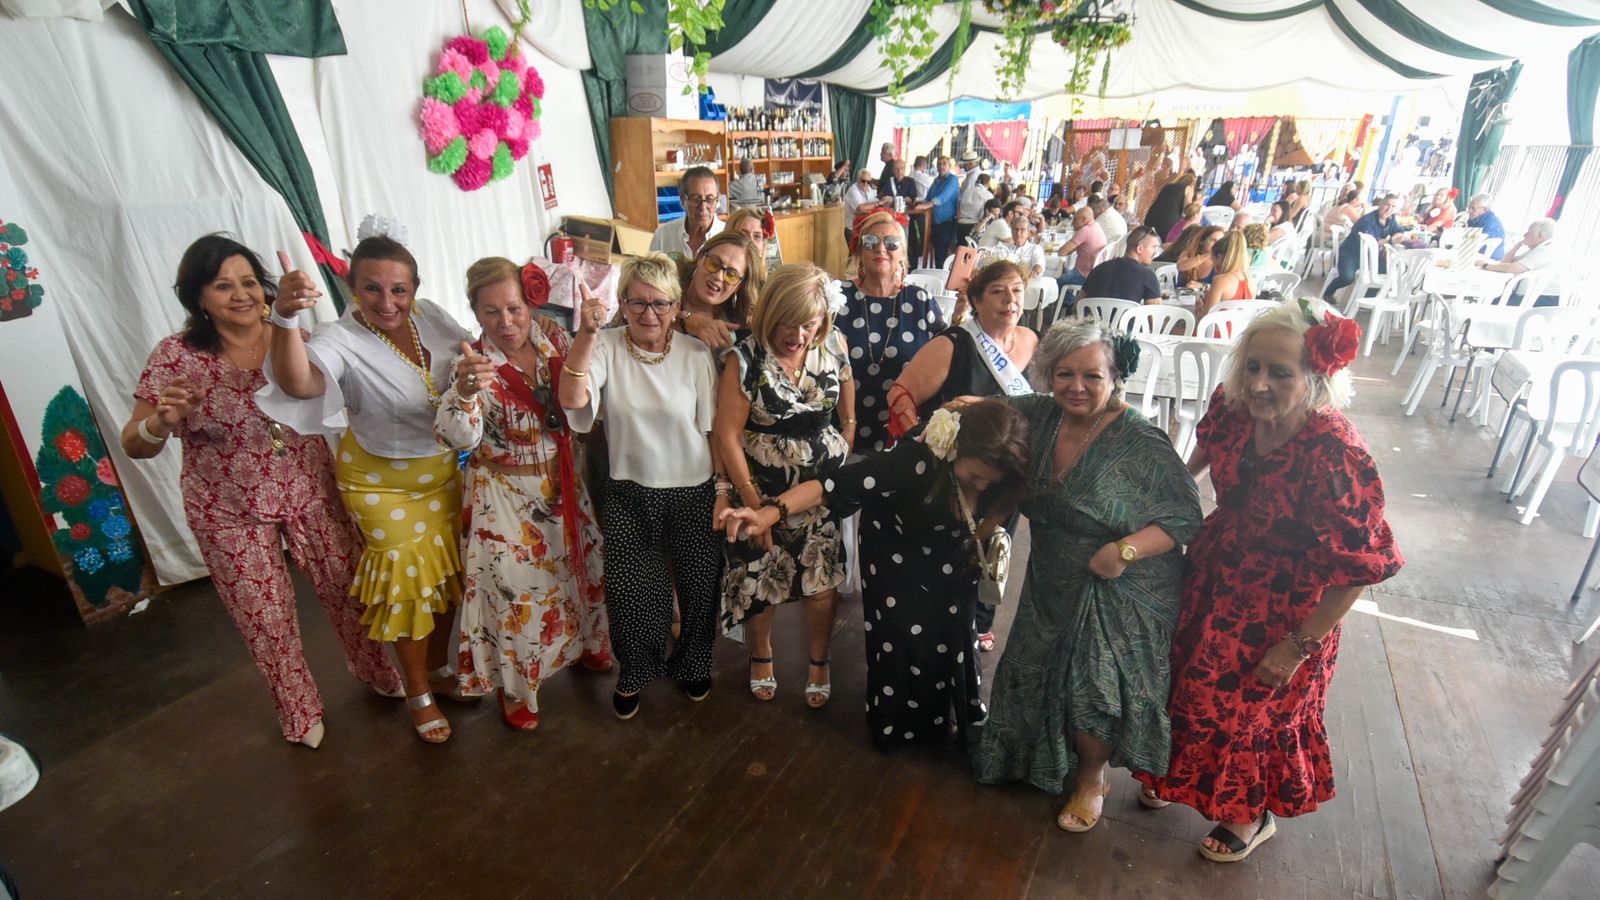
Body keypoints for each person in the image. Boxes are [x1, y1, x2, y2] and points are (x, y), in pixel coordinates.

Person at [1140, 298, 1402, 862]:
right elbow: (1202, 455)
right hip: (1218, 570)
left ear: (1315, 375)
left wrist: (1299, 644)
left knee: (1251, 709)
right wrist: (1163, 499)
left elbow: (1360, 568)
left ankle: (1247, 815)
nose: (1259, 384)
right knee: (1187, 680)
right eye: (1252, 366)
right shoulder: (1233, 408)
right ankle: (1177, 776)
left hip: (1290, 604)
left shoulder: (1338, 452)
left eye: (1279, 373)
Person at [123, 234, 401, 749]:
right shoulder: (176, 357)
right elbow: (134, 443)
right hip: (228, 509)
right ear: (197, 296)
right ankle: (298, 710)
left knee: (350, 588)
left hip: (312, 489)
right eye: (222, 285)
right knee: (265, 614)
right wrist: (160, 423)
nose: (241, 294)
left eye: (249, 281)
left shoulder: (291, 335)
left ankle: (379, 670)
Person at [972, 317, 1202, 832]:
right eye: (1064, 374)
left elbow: (1187, 516)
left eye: (1092, 377)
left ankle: (1090, 778)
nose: (1077, 387)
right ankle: (1030, 757)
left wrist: (1124, 550)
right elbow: (987, 416)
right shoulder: (1037, 416)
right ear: (1047, 375)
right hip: (1052, 571)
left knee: (1092, 682)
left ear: (1115, 377)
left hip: (1119, 577)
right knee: (1033, 664)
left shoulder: (1142, 440)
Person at [717, 399, 1031, 750]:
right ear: (956, 450)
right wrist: (770, 513)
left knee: (956, 625)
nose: (984, 487)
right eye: (976, 477)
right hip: (895, 547)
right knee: (902, 630)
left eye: (993, 481)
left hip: (951, 551)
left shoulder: (1007, 472)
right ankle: (899, 723)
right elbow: (831, 486)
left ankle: (950, 712)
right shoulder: (916, 460)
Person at [261, 232, 472, 744]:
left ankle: (440, 671)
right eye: (372, 289)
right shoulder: (340, 338)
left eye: (399, 290)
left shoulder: (433, 317)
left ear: (415, 288)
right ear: (352, 286)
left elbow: (467, 353)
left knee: (444, 578)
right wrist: (285, 317)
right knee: (406, 582)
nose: (387, 302)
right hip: (381, 484)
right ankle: (417, 692)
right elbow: (298, 383)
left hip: (443, 471)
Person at [434, 257, 611, 731]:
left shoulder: (552, 336)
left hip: (565, 479)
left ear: (529, 301)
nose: (506, 322)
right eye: (491, 313)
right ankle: (517, 689)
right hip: (505, 494)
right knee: (517, 594)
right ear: (475, 313)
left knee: (582, 565)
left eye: (514, 308)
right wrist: (466, 393)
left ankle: (590, 644)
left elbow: (585, 386)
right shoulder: (471, 364)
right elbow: (458, 438)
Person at [559, 253, 724, 720]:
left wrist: (723, 490)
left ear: (675, 306)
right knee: (632, 594)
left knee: (698, 588)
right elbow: (573, 401)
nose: (649, 314)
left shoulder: (693, 354)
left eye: (660, 304)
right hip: (629, 492)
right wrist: (586, 335)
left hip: (693, 489)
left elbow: (711, 430)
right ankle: (635, 670)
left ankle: (694, 662)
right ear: (622, 304)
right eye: (637, 303)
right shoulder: (606, 346)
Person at [713, 264, 853, 707]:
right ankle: (761, 655)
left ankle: (819, 660)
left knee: (822, 581)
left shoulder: (834, 344)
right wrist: (756, 504)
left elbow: (847, 403)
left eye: (808, 325)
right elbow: (727, 434)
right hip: (758, 486)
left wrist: (844, 445)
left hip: (821, 491)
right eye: (787, 324)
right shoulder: (744, 358)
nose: (797, 335)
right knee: (760, 580)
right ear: (769, 313)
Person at [889, 260, 1038, 652]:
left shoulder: (1028, 340)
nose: (1010, 300)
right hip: (963, 475)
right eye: (998, 292)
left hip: (1009, 472)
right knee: (958, 548)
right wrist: (926, 444)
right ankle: (948, 618)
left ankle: (981, 619)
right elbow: (900, 396)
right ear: (975, 299)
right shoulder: (952, 343)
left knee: (998, 546)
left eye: (1017, 291)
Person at [832, 210, 946, 450]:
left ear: (903, 254)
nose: (881, 249)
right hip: (843, 432)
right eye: (871, 242)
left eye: (891, 243)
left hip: (905, 432)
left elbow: (943, 359)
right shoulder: (838, 299)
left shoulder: (920, 301)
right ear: (859, 252)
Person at [676, 230, 764, 354]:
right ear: (700, 257)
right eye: (714, 263)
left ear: (740, 286)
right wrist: (685, 321)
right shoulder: (669, 272)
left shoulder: (737, 329)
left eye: (731, 275)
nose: (718, 276)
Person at [1323, 194, 1407, 301]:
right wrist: (1390, 241)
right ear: (1380, 204)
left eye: (1393, 206)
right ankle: (1328, 292)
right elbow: (1371, 243)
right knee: (1347, 278)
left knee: (1387, 270)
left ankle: (1366, 298)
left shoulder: (1390, 219)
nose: (1389, 209)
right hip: (1351, 254)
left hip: (1369, 257)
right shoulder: (1367, 220)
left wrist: (1397, 236)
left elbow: (1399, 230)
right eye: (1387, 205)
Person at [1483, 217, 1564, 306]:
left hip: (1541, 299)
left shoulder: (1546, 250)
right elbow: (1506, 263)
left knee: (1487, 301)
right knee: (1489, 299)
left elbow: (1512, 268)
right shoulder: (1538, 249)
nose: (1524, 235)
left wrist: (1486, 265)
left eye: (1528, 232)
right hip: (1529, 297)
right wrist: (1517, 246)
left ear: (1540, 235)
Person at [650, 167, 725, 259]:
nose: (702, 207)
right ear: (682, 199)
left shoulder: (727, 237)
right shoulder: (662, 236)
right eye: (695, 198)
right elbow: (651, 272)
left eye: (709, 199)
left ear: (717, 199)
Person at [1080, 226, 1162, 304]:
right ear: (1139, 249)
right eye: (1154, 247)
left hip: (1092, 318)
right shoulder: (1147, 275)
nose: (1155, 252)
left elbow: (1078, 303)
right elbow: (1153, 314)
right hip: (1125, 319)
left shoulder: (1099, 268)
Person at [1198, 233, 1254, 319]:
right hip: (1239, 331)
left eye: (1213, 260)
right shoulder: (1252, 282)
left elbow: (1207, 318)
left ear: (1219, 257)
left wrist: (1199, 308)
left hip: (1217, 331)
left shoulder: (1220, 281)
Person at [1056, 206, 1106, 288]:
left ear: (1083, 219)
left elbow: (1062, 252)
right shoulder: (1096, 226)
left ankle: (1066, 300)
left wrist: (1067, 249)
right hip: (1095, 273)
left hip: (1083, 275)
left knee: (1057, 279)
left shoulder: (1085, 230)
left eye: (1075, 219)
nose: (1072, 223)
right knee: (1063, 270)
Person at [984, 214, 1045, 280]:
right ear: (1012, 233)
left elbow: (1039, 264)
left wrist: (1034, 272)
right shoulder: (1003, 247)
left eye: (1022, 230)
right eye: (1015, 229)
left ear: (1028, 233)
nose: (1018, 233)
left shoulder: (1035, 248)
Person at [927, 155, 963, 266]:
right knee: (935, 255)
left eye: (944, 164)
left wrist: (929, 204)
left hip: (947, 224)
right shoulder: (936, 181)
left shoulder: (953, 179)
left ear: (949, 166)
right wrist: (918, 203)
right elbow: (927, 198)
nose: (941, 166)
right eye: (939, 164)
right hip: (934, 224)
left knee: (942, 256)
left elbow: (944, 197)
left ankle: (942, 281)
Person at [1146, 172, 1196, 242]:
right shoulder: (1189, 188)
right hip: (1168, 220)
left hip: (1152, 215)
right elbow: (1187, 207)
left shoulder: (1168, 186)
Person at [726, 207, 776, 272]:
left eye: (757, 236)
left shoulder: (766, 281)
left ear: (763, 245)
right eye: (743, 234)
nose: (750, 241)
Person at [957, 172, 995, 248]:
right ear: (987, 184)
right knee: (971, 253)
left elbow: (958, 205)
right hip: (974, 226)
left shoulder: (965, 191)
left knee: (960, 251)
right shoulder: (988, 195)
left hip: (960, 225)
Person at [843, 168, 882, 239]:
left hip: (864, 228)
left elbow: (872, 203)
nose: (865, 184)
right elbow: (860, 208)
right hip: (853, 229)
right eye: (863, 181)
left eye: (868, 182)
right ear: (858, 179)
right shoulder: (853, 190)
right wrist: (878, 204)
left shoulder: (869, 189)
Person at [1466, 193, 1507, 260]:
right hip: (1475, 253)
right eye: (1469, 207)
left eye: (1473, 208)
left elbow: (1476, 240)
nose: (1469, 211)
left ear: (1484, 209)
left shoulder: (1492, 221)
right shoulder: (1475, 218)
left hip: (1489, 258)